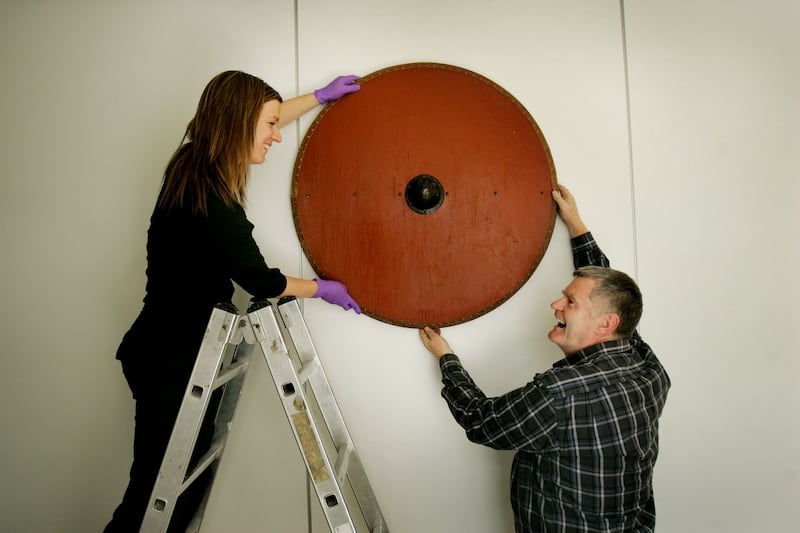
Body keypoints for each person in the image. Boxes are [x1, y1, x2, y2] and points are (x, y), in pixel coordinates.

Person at [105, 71, 362, 533]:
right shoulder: (210, 201)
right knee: (150, 502)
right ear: (240, 123)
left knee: (172, 497)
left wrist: (320, 98)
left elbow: (265, 115)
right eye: (269, 125)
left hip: (170, 347)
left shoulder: (193, 165)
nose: (277, 136)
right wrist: (323, 288)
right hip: (169, 359)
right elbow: (261, 280)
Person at [419, 185, 670, 532]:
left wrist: (446, 358)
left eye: (570, 302)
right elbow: (613, 298)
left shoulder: (559, 395)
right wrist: (576, 225)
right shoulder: (647, 366)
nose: (556, 305)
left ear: (604, 324)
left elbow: (481, 422)